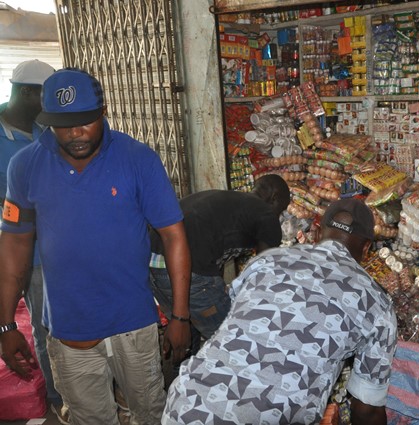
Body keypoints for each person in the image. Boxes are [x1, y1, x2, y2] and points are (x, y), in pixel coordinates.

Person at [0, 68, 191, 425]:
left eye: (85, 121)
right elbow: (14, 246)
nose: (75, 133)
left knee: (150, 413)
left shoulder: (138, 159)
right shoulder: (25, 166)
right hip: (69, 329)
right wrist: (6, 325)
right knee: (90, 419)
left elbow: (173, 235)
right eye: (63, 124)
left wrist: (180, 315)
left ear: (103, 112)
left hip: (133, 323)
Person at [162, 198, 398, 425]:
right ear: (367, 247)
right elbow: (366, 410)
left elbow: (233, 319)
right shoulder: (377, 303)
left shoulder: (268, 260)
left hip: (188, 405)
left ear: (317, 233)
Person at [0, 59, 67, 421]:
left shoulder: (48, 128)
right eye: (47, 95)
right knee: (46, 329)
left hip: (65, 243)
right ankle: (60, 399)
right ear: (27, 92)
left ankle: (86, 387)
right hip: (29, 252)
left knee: (76, 318)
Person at [149, 174, 291, 340]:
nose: (279, 217)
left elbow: (217, 253)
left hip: (154, 267)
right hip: (187, 267)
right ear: (274, 198)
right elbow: (265, 272)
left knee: (187, 335)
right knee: (233, 339)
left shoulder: (230, 202)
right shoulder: (266, 214)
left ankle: (183, 365)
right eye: (282, 210)